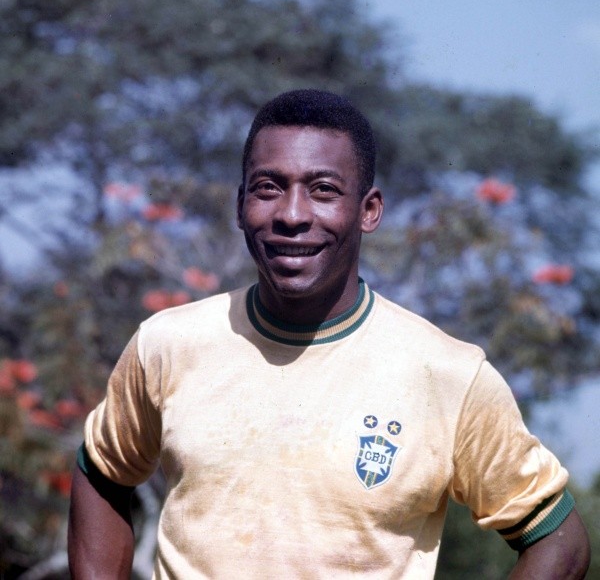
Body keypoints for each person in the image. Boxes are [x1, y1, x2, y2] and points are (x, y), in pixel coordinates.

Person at [68, 89, 590, 579]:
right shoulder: (169, 344)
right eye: (269, 188)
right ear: (240, 204)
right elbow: (102, 472)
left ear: (368, 210)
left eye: (323, 191)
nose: (292, 215)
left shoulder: (448, 375)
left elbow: (558, 540)